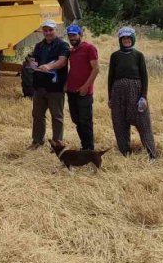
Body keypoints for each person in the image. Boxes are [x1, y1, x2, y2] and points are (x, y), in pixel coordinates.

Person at [108, 26, 157, 161]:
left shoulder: (138, 55)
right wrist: (110, 97)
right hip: (117, 92)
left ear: (133, 39)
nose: (126, 40)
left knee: (143, 122)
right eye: (123, 38)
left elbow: (144, 77)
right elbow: (111, 77)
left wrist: (143, 96)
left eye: (129, 38)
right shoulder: (115, 56)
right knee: (119, 122)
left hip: (135, 90)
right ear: (120, 40)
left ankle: (151, 154)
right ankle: (125, 152)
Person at [28, 20, 70, 148]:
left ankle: (57, 143)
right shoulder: (39, 46)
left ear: (55, 30)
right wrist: (31, 62)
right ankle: (37, 141)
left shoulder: (62, 45)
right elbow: (34, 60)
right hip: (40, 86)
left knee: (56, 116)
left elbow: (62, 62)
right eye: (45, 30)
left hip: (55, 87)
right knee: (37, 115)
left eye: (50, 30)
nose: (48, 33)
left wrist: (49, 66)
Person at [64, 25, 99, 151]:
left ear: (80, 35)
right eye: (70, 35)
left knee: (85, 121)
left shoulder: (89, 48)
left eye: (74, 35)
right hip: (71, 90)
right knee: (76, 120)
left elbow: (96, 69)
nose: (72, 38)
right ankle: (84, 146)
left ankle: (89, 149)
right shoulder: (71, 51)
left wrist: (85, 86)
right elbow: (73, 69)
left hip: (84, 92)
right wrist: (66, 84)